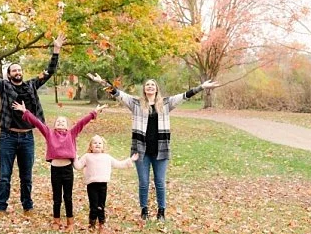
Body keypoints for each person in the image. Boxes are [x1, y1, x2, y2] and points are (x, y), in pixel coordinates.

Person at [86, 72, 217, 222]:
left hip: (161, 150)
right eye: (147, 84)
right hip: (141, 151)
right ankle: (144, 210)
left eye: (152, 85)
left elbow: (185, 95)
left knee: (160, 182)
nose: (150, 86)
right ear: (144, 89)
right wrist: (102, 81)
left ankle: (161, 212)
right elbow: (117, 94)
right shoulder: (135, 103)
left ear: (156, 89)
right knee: (143, 182)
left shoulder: (166, 103)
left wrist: (202, 87)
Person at [0, 32, 62, 213]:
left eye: (19, 70)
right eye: (14, 70)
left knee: (27, 177)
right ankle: (1, 206)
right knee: (5, 175)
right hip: (7, 137)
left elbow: (49, 71)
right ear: (8, 74)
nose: (18, 72)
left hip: (27, 138)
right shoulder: (4, 86)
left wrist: (56, 50)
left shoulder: (31, 85)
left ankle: (27, 205)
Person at [15, 102, 100, 230]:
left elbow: (82, 122)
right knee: (56, 197)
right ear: (54, 125)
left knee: (68, 197)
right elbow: (37, 123)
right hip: (55, 170)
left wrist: (93, 113)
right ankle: (56, 220)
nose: (60, 123)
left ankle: (70, 222)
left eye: (63, 122)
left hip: (67, 170)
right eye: (58, 121)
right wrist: (25, 111)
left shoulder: (71, 133)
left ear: (67, 126)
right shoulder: (49, 133)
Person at [74, 135, 137, 232]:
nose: (97, 145)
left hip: (103, 185)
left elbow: (119, 164)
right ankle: (92, 223)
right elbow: (78, 166)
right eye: (95, 143)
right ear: (90, 146)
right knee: (93, 205)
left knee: (101, 205)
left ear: (103, 146)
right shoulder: (87, 156)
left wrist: (131, 160)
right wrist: (74, 157)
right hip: (92, 185)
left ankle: (101, 222)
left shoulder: (107, 157)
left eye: (100, 143)